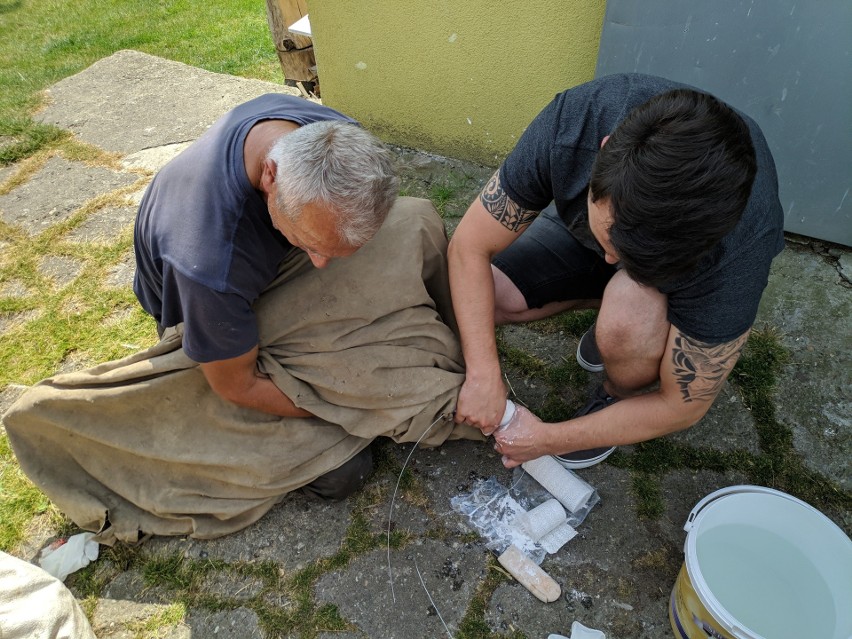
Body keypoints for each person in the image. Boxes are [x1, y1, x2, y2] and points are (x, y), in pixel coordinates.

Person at [448, 73, 784, 469]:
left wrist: (548, 439)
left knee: (627, 322)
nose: (612, 260)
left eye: (629, 255)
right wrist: (483, 372)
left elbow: (682, 407)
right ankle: (607, 302)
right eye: (609, 238)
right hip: (588, 237)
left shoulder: (740, 241)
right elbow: (468, 247)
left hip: (658, 285)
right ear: (603, 151)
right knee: (492, 295)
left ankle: (618, 389)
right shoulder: (577, 122)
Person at [133, 93, 399, 498]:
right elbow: (238, 387)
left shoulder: (334, 135)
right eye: (308, 243)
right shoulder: (210, 265)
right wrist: (348, 409)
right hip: (205, 310)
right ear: (270, 176)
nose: (321, 264)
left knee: (407, 237)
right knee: (343, 469)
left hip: (249, 267)